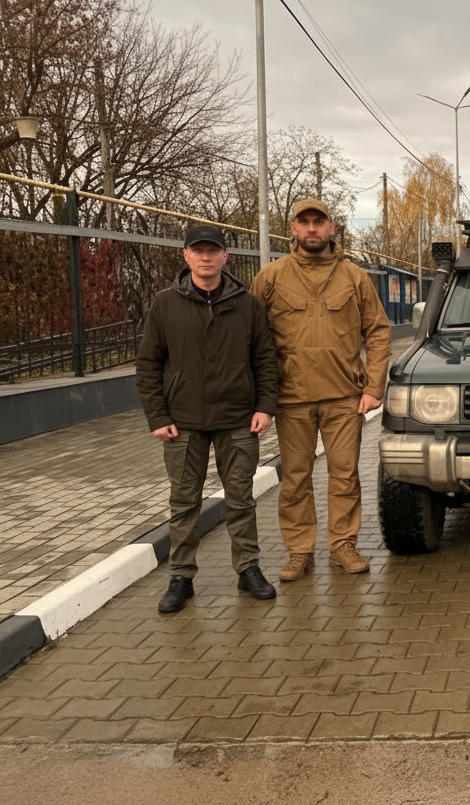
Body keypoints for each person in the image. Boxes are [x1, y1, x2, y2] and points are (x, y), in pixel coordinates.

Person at [136, 225, 280, 613]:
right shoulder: (165, 304)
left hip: (237, 420)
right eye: (197, 250)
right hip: (182, 423)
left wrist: (265, 406)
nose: (205, 257)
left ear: (224, 257)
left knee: (241, 499)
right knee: (184, 502)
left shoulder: (246, 305)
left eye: (212, 250)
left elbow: (265, 359)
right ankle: (181, 576)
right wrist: (157, 415)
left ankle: (248, 568)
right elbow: (149, 364)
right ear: (185, 256)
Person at [251, 199, 392, 581]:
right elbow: (251, 337)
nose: (312, 229)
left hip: (344, 396)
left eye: (319, 222)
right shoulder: (271, 277)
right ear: (293, 229)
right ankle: (299, 551)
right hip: (291, 398)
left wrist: (373, 387)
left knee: (344, 475)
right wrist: (261, 396)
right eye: (304, 222)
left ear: (331, 228)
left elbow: (378, 331)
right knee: (295, 478)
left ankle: (343, 544)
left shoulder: (354, 277)